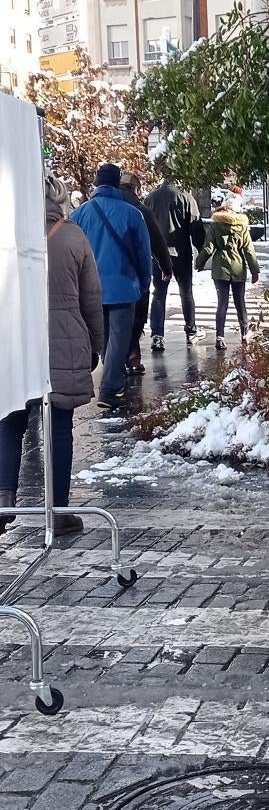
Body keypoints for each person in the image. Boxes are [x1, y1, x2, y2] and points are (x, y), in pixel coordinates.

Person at [0, 173, 105, 537]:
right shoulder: (73, 236)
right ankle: (58, 511)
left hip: (15, 339)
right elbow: (92, 298)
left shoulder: (7, 236)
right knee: (59, 425)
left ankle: (4, 498)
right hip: (64, 340)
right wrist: (97, 343)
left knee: (10, 419)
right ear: (59, 199)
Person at [72, 163, 152, 412]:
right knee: (120, 338)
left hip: (90, 287)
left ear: (96, 183)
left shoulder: (79, 215)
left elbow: (73, 253)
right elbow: (143, 253)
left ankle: (111, 379)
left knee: (104, 337)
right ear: (117, 183)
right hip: (123, 286)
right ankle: (110, 387)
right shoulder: (131, 214)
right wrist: (144, 283)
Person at [120, 173, 173, 375]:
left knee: (111, 319)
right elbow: (157, 243)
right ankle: (130, 358)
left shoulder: (93, 209)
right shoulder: (141, 211)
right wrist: (166, 268)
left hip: (102, 275)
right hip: (135, 275)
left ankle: (115, 359)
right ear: (135, 189)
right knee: (136, 318)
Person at [196, 187, 260, 351]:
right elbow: (248, 250)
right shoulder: (242, 226)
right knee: (240, 302)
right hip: (238, 269)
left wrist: (200, 262)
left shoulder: (216, 225)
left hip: (220, 270)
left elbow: (208, 248)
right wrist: (254, 270)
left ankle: (220, 336)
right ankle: (245, 332)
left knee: (222, 303)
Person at [146, 171, 202, 352]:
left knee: (159, 293)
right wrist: (202, 252)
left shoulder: (150, 198)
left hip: (157, 254)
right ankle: (191, 330)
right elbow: (196, 226)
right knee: (186, 292)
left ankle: (157, 335)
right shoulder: (186, 197)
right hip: (182, 253)